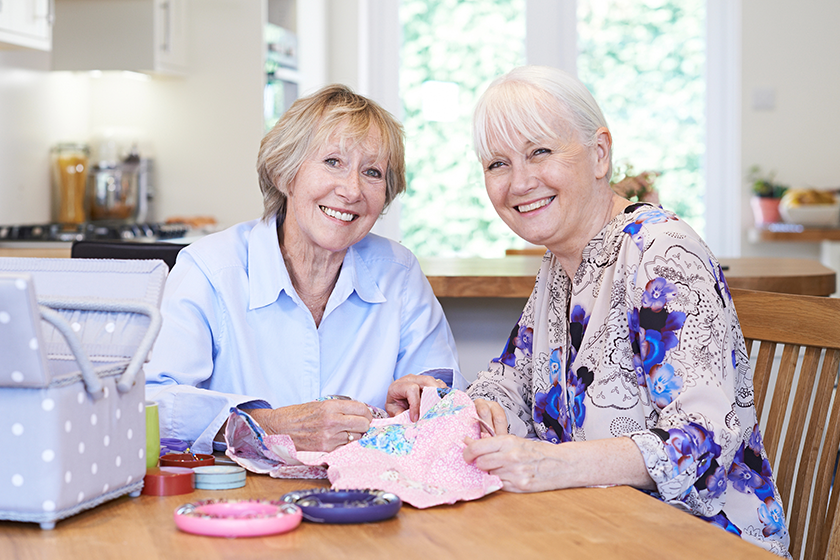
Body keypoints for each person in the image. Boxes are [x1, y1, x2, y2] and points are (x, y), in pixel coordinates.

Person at [462, 66, 790, 558]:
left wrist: (555, 464)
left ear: (599, 155)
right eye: (497, 164)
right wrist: (464, 412)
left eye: (540, 152)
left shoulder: (661, 251)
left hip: (702, 543)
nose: (520, 182)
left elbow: (702, 434)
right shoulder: (562, 261)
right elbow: (510, 380)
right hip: (595, 535)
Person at [145, 85, 464, 455]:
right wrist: (268, 427)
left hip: (368, 493)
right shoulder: (211, 269)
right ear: (285, 174)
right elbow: (152, 402)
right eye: (333, 162)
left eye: (373, 172)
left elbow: (446, 393)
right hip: (238, 500)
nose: (352, 190)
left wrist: (422, 402)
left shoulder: (399, 271)